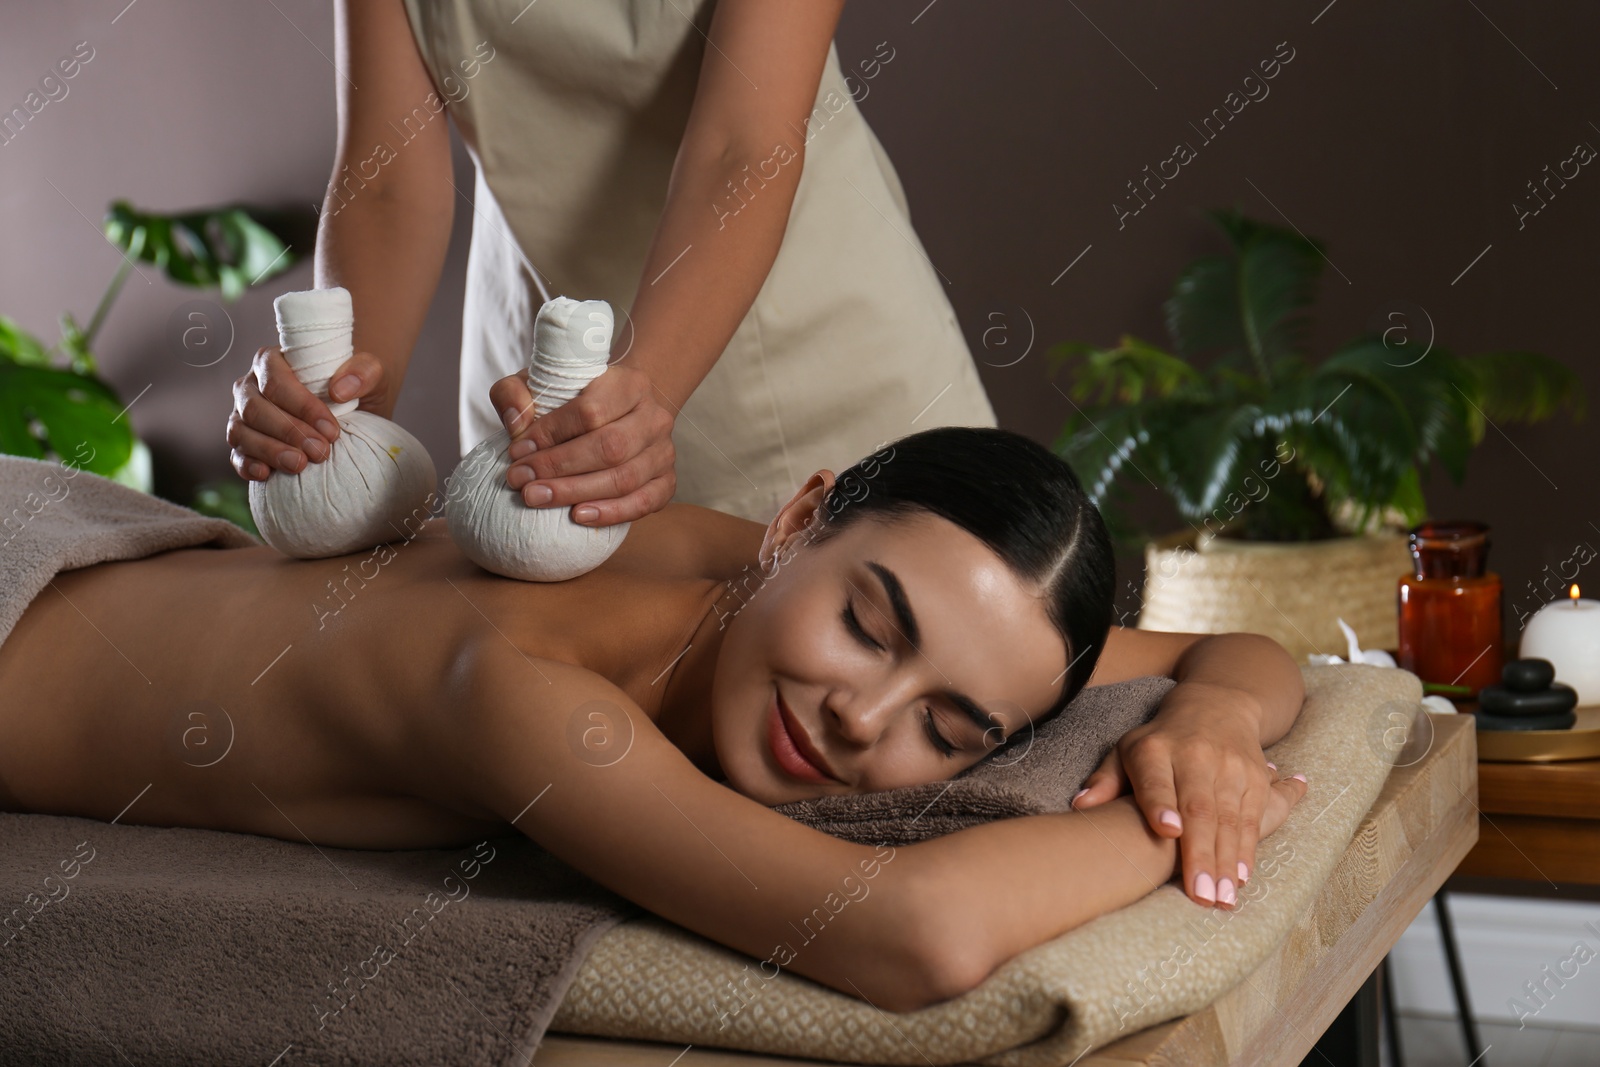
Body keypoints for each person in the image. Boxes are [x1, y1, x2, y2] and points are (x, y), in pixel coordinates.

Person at [0, 428, 1306, 1010]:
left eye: (950, 728)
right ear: (799, 520)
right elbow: (913, 935)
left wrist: (1214, 722)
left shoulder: (752, 576)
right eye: (868, 624)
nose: (862, 716)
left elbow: (1251, 653)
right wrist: (1190, 820)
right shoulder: (518, 688)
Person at [227, 0, 998, 527]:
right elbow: (387, 182)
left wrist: (645, 391)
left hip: (803, 363)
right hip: (534, 373)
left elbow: (743, 146)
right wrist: (341, 405)